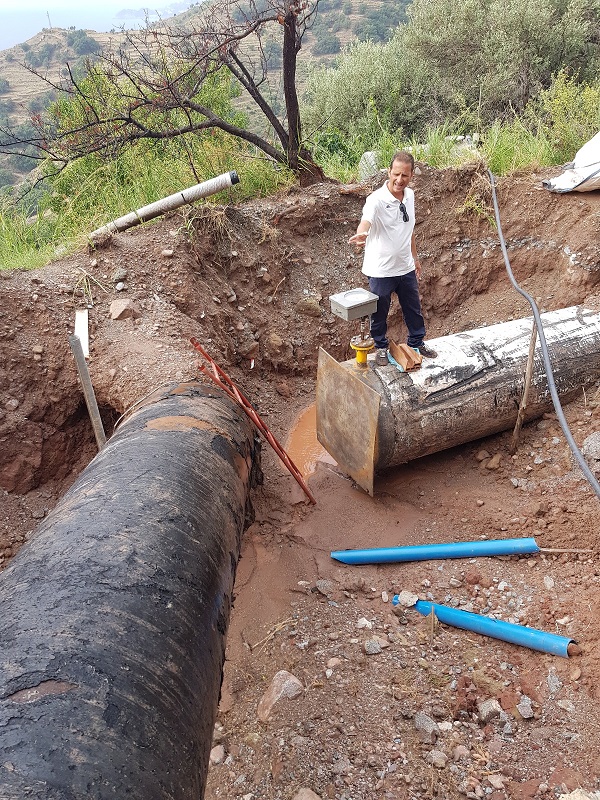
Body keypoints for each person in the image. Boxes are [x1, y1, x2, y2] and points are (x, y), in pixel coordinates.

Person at [348, 151, 437, 367]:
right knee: (379, 312)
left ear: (412, 175)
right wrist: (362, 234)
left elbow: (409, 229)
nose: (399, 180)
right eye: (396, 174)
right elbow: (366, 221)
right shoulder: (376, 200)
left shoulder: (410, 196)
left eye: (404, 175)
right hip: (381, 270)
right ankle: (380, 347)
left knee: (413, 308)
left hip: (405, 266)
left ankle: (416, 342)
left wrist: (415, 258)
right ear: (389, 172)